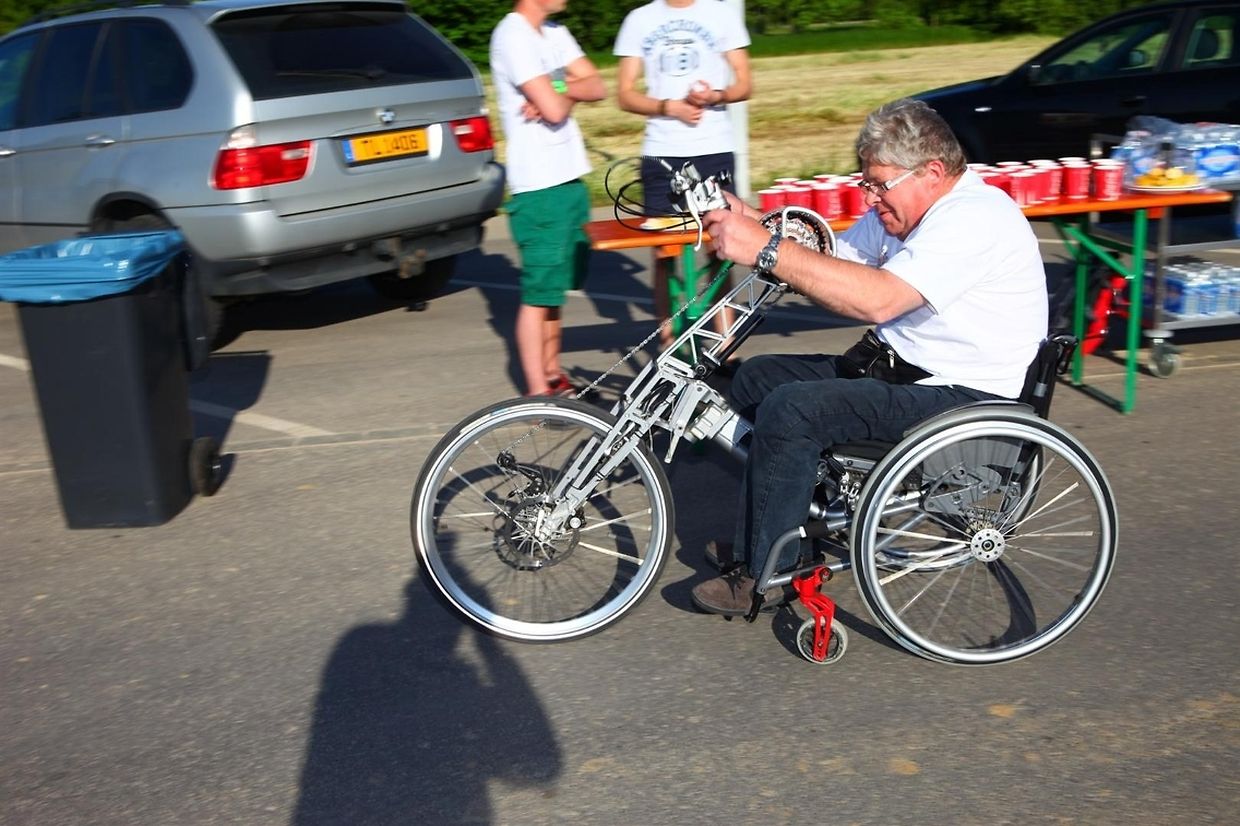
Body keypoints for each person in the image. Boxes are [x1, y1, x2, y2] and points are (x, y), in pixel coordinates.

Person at [690, 98, 1049, 616]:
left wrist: (767, 250)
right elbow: (837, 261)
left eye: (879, 184)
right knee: (757, 379)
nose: (870, 197)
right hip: (905, 369)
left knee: (793, 411)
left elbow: (877, 299)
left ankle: (767, 572)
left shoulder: (973, 219)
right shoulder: (905, 210)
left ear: (932, 172)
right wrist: (753, 221)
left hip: (962, 395)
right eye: (867, 184)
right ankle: (780, 531)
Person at [612, 0, 752, 350]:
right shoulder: (640, 19)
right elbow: (625, 94)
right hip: (662, 151)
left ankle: (723, 344)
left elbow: (745, 84)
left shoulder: (720, 14)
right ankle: (669, 341)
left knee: (721, 246)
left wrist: (715, 96)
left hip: (712, 149)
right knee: (665, 252)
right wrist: (669, 107)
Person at [490, 0, 606, 397]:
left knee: (556, 289)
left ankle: (553, 374)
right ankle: (538, 393)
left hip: (568, 177)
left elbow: (597, 86)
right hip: (539, 186)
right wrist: (565, 88)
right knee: (539, 293)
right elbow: (556, 111)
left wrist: (555, 85)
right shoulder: (512, 35)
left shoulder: (555, 33)